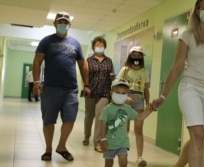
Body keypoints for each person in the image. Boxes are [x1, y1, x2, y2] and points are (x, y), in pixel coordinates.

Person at [151, 0, 204, 166]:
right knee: (197, 138)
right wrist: (163, 96)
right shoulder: (187, 35)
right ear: (197, 10)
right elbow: (177, 67)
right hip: (191, 88)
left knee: (199, 137)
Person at [32, 11, 87, 161]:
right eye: (60, 22)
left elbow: (83, 64)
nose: (63, 24)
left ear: (70, 24)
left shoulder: (75, 43)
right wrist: (36, 82)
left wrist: (86, 84)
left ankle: (61, 146)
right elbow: (37, 61)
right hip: (50, 88)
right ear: (55, 24)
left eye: (65, 22)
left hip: (71, 89)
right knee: (48, 120)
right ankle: (48, 149)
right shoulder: (47, 41)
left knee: (70, 119)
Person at [99, 79, 152, 167]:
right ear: (111, 92)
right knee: (108, 163)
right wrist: (103, 139)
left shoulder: (127, 108)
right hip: (109, 142)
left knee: (123, 162)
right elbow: (102, 125)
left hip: (123, 142)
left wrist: (149, 110)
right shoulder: (107, 109)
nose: (120, 95)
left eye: (123, 93)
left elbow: (139, 117)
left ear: (127, 95)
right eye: (117, 92)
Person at [117, 46, 150, 166]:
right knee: (125, 128)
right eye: (134, 55)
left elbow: (146, 89)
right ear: (130, 56)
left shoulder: (144, 72)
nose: (136, 58)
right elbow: (117, 87)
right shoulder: (125, 70)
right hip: (126, 98)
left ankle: (140, 157)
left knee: (138, 128)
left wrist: (148, 103)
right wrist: (125, 97)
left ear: (142, 57)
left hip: (139, 99)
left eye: (139, 55)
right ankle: (123, 152)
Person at [82, 36, 115, 152]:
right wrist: (85, 87)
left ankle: (98, 142)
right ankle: (86, 136)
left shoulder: (109, 61)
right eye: (97, 45)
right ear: (93, 47)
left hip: (105, 93)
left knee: (100, 117)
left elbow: (112, 74)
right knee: (89, 116)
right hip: (91, 91)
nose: (100, 46)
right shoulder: (88, 60)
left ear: (105, 47)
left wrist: (112, 77)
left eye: (101, 45)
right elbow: (84, 75)